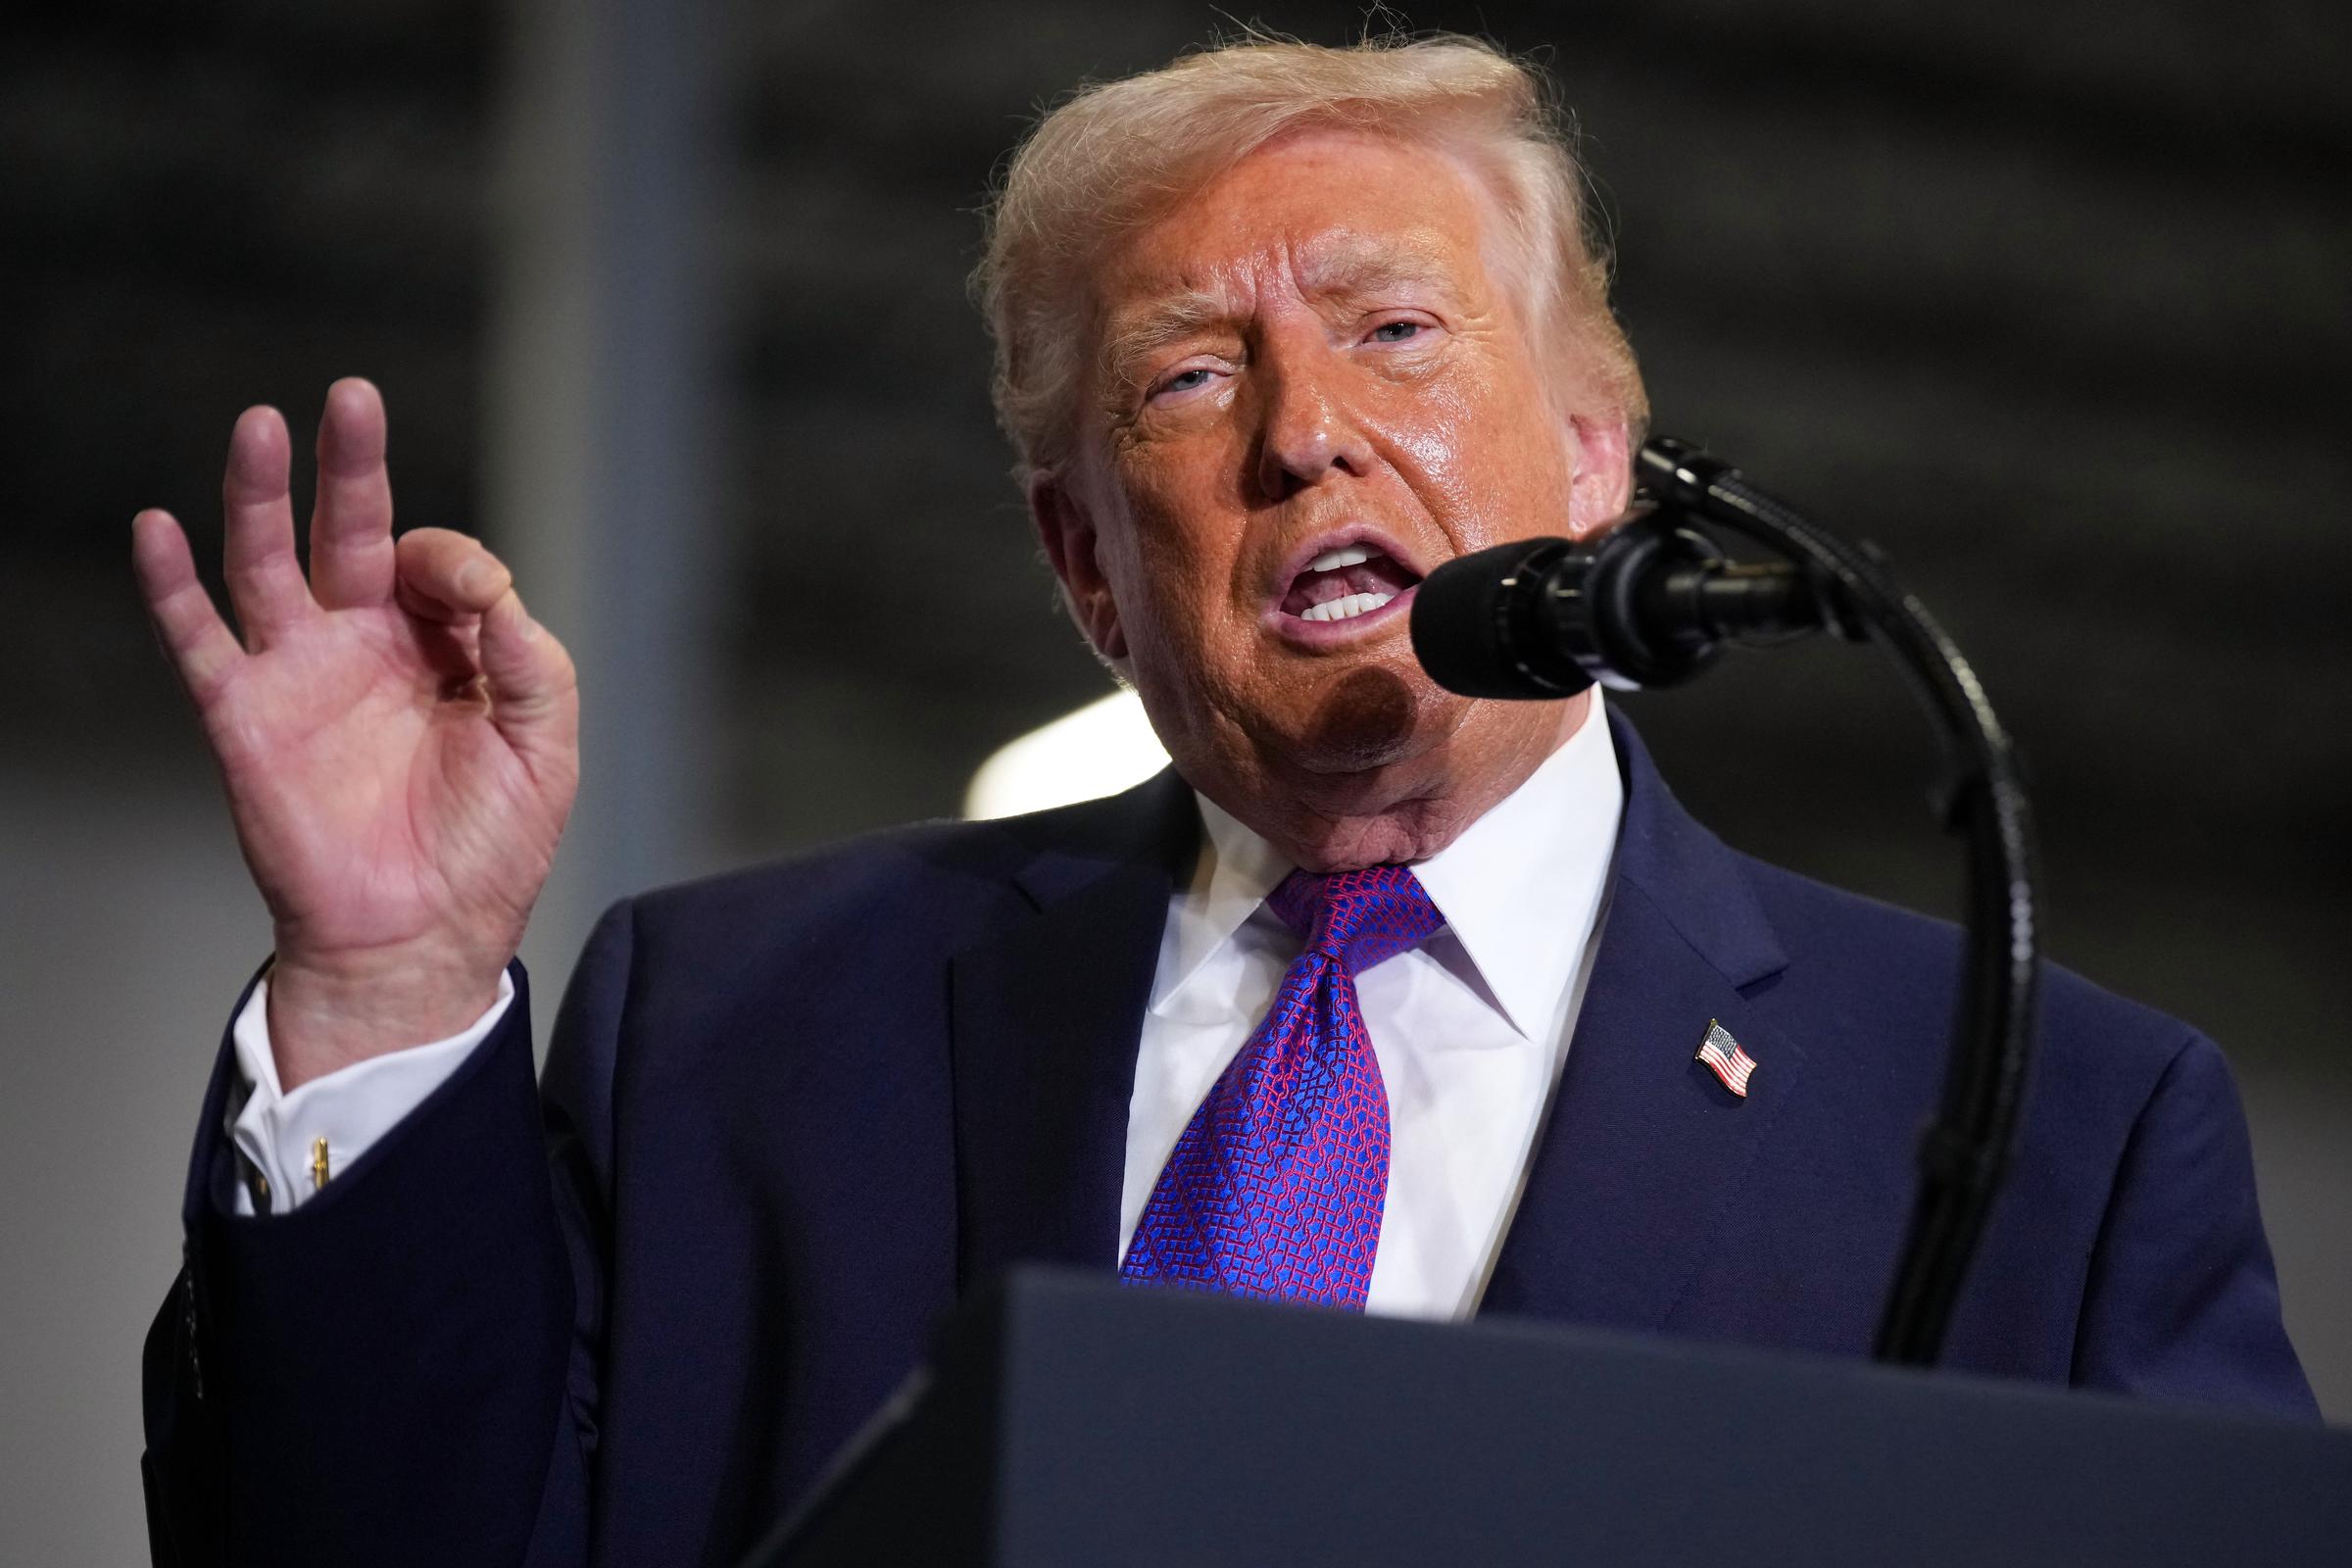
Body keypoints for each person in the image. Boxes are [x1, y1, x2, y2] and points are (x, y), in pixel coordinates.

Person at [131, 33, 2313, 1568]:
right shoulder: (732, 1036)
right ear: (1088, 563)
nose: (1302, 434)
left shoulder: (2049, 1134)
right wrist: (390, 978)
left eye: (1393, 331)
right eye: (1191, 375)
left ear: (1595, 460)